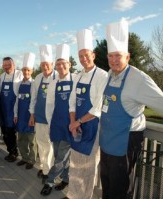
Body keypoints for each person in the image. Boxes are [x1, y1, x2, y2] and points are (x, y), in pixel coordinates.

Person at [99, 19, 163, 199]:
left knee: (120, 188)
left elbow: (161, 101)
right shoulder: (110, 75)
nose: (114, 60)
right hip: (107, 141)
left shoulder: (139, 79)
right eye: (111, 56)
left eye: (118, 56)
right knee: (106, 182)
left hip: (125, 141)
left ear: (127, 57)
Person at [64, 29, 108, 199]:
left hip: (92, 127)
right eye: (80, 56)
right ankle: (72, 195)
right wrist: (73, 122)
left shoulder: (102, 76)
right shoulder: (77, 76)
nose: (83, 59)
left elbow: (98, 107)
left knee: (88, 168)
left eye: (86, 55)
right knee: (75, 165)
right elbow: (72, 101)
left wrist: (78, 122)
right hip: (78, 127)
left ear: (93, 55)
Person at [40, 44, 75, 196]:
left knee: (61, 156)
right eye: (58, 64)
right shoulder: (53, 83)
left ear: (69, 65)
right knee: (59, 156)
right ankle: (66, 178)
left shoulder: (77, 79)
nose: (61, 67)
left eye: (63, 63)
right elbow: (49, 105)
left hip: (69, 125)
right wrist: (49, 124)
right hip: (55, 124)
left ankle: (50, 181)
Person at [29, 44, 57, 183]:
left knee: (50, 145)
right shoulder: (38, 78)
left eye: (47, 64)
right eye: (42, 64)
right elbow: (33, 98)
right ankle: (44, 167)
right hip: (39, 117)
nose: (45, 67)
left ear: (52, 64)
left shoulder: (58, 77)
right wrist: (32, 115)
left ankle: (48, 170)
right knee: (41, 144)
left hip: (53, 119)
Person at [14, 52, 37, 170]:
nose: (26, 73)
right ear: (22, 71)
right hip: (21, 116)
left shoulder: (34, 84)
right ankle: (24, 157)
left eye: (28, 70)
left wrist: (32, 116)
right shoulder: (18, 84)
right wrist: (15, 114)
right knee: (21, 139)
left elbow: (34, 100)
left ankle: (32, 160)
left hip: (29, 116)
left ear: (32, 71)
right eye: (24, 70)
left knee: (31, 140)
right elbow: (17, 101)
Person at [0, 56, 23, 162]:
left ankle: (14, 152)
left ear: (13, 64)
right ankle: (10, 151)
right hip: (3, 110)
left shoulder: (20, 74)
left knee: (11, 133)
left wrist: (16, 113)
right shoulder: (1, 76)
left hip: (13, 109)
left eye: (9, 64)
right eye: (5, 65)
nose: (7, 67)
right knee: (5, 132)